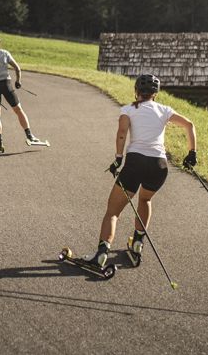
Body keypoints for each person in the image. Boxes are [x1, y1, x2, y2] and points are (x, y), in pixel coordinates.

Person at [84, 73, 197, 267]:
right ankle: (137, 242)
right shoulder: (164, 110)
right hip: (159, 165)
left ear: (136, 91)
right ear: (156, 94)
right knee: (145, 199)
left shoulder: (129, 109)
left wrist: (118, 159)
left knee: (113, 212)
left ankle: (102, 253)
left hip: (136, 162)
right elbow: (189, 125)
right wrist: (192, 153)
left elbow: (121, 134)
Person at [0, 34, 43, 152]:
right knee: (18, 110)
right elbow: (17, 68)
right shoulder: (5, 53)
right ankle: (30, 136)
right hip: (6, 84)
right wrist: (18, 81)